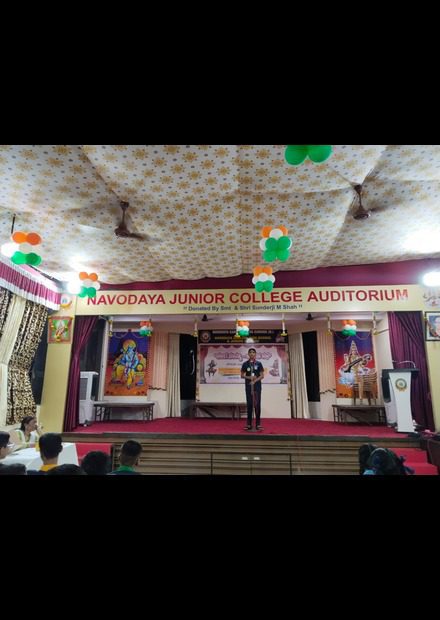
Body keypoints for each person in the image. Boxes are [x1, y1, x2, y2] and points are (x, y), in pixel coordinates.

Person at [240, 348, 264, 431]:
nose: (252, 354)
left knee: (257, 405)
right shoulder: (245, 364)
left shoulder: (259, 364)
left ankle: (258, 424)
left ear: (255, 354)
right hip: (248, 387)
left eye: (253, 352)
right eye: (250, 352)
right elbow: (242, 375)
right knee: (249, 405)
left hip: (257, 387)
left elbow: (262, 376)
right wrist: (249, 377)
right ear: (248, 354)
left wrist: (255, 381)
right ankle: (249, 424)